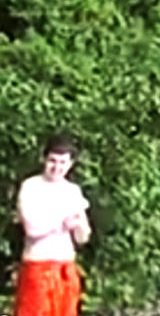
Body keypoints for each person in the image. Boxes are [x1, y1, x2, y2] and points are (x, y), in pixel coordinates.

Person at [14, 134, 91, 316]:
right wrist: (62, 221)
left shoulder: (72, 191)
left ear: (70, 164)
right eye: (52, 161)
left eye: (63, 162)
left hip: (66, 269)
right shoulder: (31, 187)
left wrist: (79, 224)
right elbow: (32, 229)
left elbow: (82, 238)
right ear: (44, 159)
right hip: (38, 267)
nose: (57, 167)